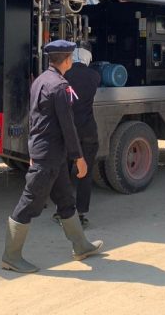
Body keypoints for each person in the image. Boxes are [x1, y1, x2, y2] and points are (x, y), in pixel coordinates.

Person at [2, 40, 103, 273]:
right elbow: (68, 126)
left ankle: (81, 245)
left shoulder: (40, 80)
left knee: (66, 200)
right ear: (67, 60)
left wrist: (31, 150)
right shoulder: (60, 86)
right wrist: (78, 157)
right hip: (49, 155)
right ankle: (11, 256)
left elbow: (34, 118)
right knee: (28, 204)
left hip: (47, 153)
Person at [59, 44, 102, 227]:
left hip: (69, 131)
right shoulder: (95, 76)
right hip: (88, 131)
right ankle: (81, 213)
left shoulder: (64, 75)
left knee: (65, 171)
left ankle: (63, 211)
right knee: (86, 171)